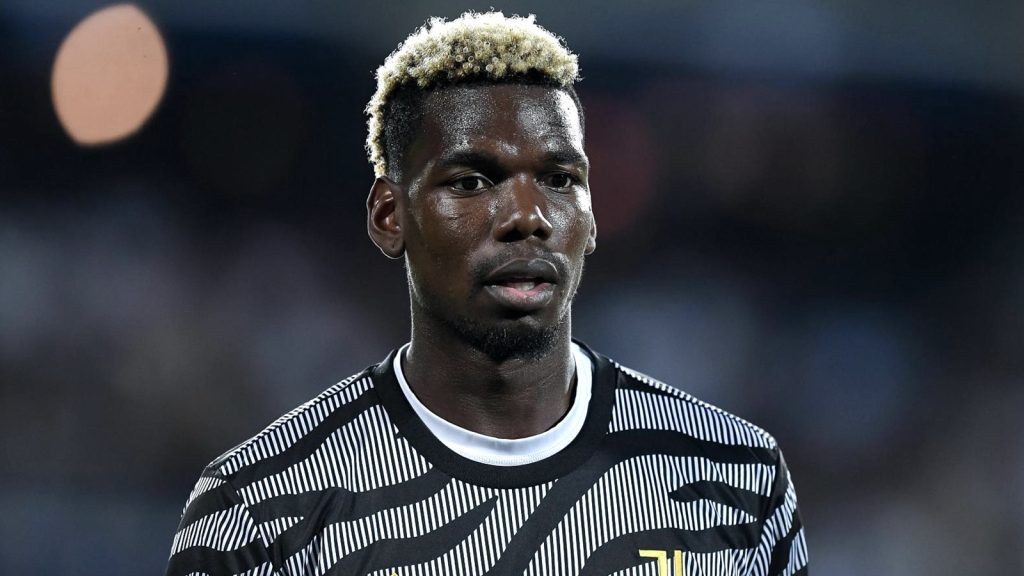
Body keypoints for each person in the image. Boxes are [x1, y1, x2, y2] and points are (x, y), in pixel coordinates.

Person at [164, 11, 808, 576]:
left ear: (590, 219)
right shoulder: (261, 509)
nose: (528, 216)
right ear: (390, 216)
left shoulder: (735, 479)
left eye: (559, 179)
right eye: (473, 182)